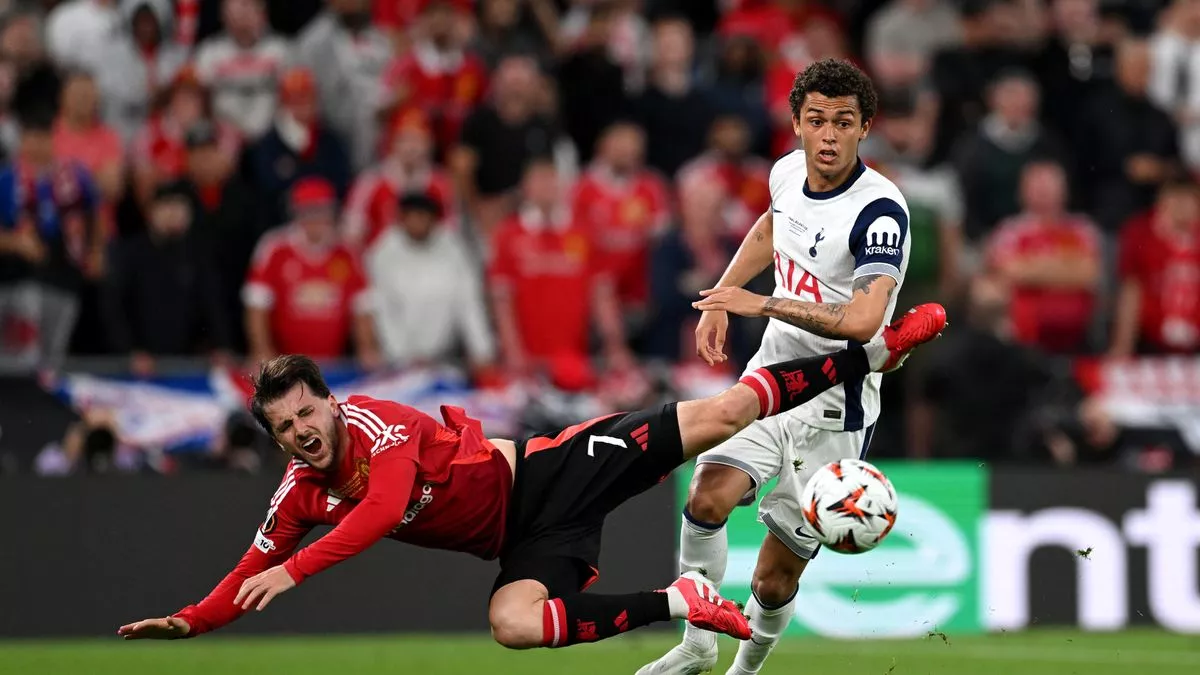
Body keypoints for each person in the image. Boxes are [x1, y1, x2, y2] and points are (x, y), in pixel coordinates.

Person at [115, 302, 946, 648]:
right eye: (286, 426)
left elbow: (385, 508)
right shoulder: (298, 493)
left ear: (331, 403)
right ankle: (680, 602)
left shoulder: (376, 421)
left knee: (726, 413)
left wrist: (298, 568)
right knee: (511, 624)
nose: (303, 431)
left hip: (552, 473)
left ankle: (873, 350)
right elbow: (246, 570)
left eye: (308, 412)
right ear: (276, 434)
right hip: (525, 540)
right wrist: (190, 620)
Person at [640, 57, 913, 675]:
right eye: (817, 120)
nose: (829, 135)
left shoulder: (879, 213)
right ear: (796, 124)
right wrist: (720, 296)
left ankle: (746, 669)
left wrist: (757, 302)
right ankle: (697, 644)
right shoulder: (787, 172)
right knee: (708, 495)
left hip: (834, 407)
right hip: (771, 379)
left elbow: (863, 323)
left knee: (774, 576)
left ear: (864, 126)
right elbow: (772, 227)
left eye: (844, 122)